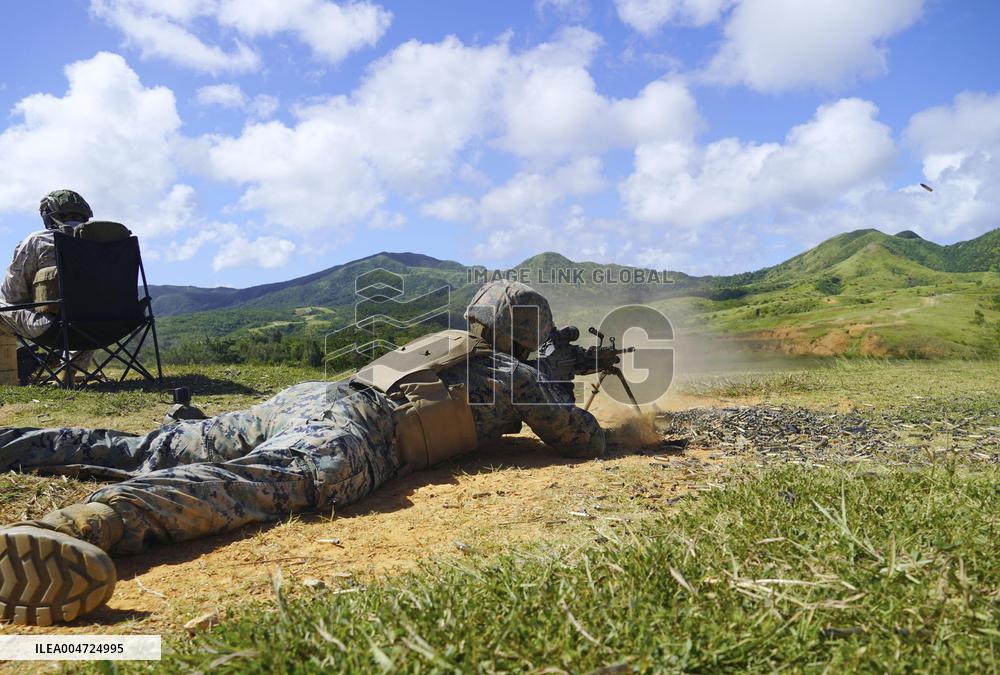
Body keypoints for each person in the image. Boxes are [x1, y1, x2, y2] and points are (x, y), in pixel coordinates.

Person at [0, 281, 604, 626]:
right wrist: (559, 382)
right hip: (358, 433)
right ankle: (90, 523)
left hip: (310, 398)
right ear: (530, 331)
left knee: (148, 447)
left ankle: (16, 443)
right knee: (246, 483)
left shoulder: (441, 343)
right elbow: (577, 438)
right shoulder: (511, 372)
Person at [0, 190, 94, 339]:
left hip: (56, 326)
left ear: (48, 215)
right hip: (115, 323)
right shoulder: (107, 244)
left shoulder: (38, 240)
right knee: (90, 317)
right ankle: (70, 362)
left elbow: (13, 295)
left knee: (2, 304)